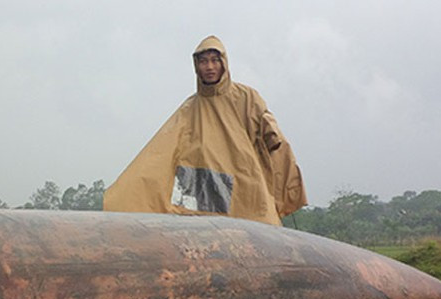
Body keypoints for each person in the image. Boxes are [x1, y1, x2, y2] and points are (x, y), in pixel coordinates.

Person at [103, 35, 307, 225]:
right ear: (196, 67)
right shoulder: (189, 108)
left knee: (261, 231)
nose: (209, 67)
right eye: (203, 61)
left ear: (224, 63)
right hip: (201, 191)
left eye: (214, 60)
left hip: (245, 188)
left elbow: (275, 142)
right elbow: (160, 153)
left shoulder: (247, 97)